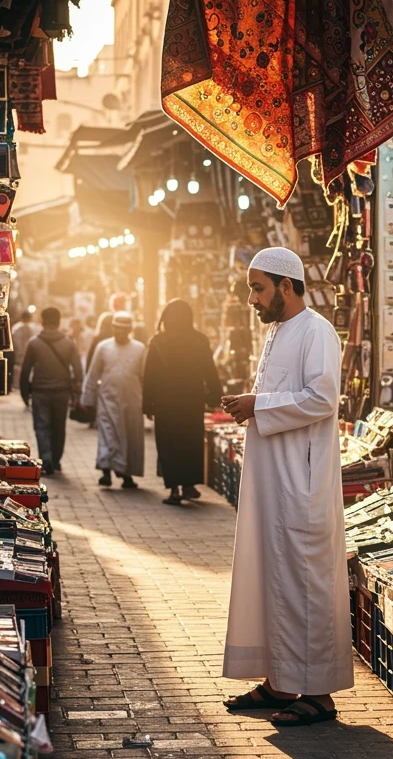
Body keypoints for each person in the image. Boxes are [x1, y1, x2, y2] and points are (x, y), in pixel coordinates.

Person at [221, 247, 352, 728]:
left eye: (258, 288)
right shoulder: (278, 331)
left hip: (302, 482)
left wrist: (258, 404)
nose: (251, 299)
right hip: (273, 481)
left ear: (287, 286)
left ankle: (318, 693)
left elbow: (322, 398)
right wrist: (252, 404)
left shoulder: (317, 331)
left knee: (306, 581)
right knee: (272, 576)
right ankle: (280, 680)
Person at [142, 299, 222, 506]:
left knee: (169, 443)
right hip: (191, 400)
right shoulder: (199, 340)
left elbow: (149, 375)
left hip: (165, 401)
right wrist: (215, 395)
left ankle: (174, 488)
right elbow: (209, 370)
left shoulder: (158, 342)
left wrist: (148, 404)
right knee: (190, 441)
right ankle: (188, 484)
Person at [81, 311, 145, 489]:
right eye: (117, 329)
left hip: (132, 401)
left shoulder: (140, 348)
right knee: (108, 435)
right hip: (107, 400)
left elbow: (145, 377)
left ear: (130, 330)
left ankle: (127, 475)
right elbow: (93, 374)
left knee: (130, 438)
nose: (120, 333)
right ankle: (106, 471)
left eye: (124, 329)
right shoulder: (103, 347)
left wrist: (149, 402)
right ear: (113, 328)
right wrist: (88, 399)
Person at [19, 307, 82, 476]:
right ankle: (56, 460)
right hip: (62, 392)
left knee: (42, 426)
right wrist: (78, 387)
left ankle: (46, 460)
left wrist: (25, 393)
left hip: (40, 391)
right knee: (59, 426)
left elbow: (25, 370)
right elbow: (77, 368)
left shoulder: (34, 343)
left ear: (42, 321)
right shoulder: (69, 343)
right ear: (59, 321)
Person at [10, 306, 40, 389]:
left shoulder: (16, 327)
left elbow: (15, 342)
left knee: (19, 371)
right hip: (27, 354)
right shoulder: (32, 327)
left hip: (19, 354)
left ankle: (18, 386)